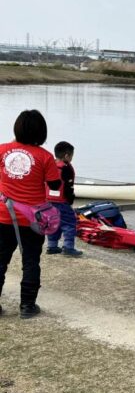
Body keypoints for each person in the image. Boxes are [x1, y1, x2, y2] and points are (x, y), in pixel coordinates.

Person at [0, 110, 61, 319]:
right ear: (41, 132)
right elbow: (54, 185)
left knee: (0, 261)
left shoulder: (2, 150)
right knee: (31, 261)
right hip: (33, 219)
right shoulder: (45, 156)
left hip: (3, 216)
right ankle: (27, 306)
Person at [46, 141, 82, 257]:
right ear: (67, 156)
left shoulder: (50, 165)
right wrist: (70, 200)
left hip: (48, 201)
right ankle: (68, 247)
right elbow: (68, 187)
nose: (71, 159)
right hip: (62, 202)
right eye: (71, 156)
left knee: (53, 223)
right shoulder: (66, 169)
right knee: (70, 223)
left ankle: (51, 246)